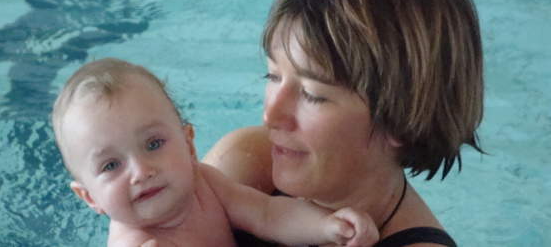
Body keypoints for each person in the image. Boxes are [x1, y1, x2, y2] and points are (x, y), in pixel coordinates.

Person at [204, 0, 485, 247]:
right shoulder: (248, 160)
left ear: (400, 122)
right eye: (273, 76)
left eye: (312, 95)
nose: (271, 116)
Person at [51, 58, 378, 247]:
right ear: (89, 197)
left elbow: (266, 214)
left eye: (153, 144)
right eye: (111, 165)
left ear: (189, 144)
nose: (141, 171)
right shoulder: (135, 243)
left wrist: (325, 226)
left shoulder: (206, 185)